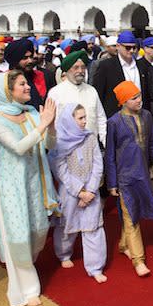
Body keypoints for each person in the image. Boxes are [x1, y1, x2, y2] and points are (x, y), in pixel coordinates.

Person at [0, 70, 58, 306]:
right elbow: (18, 148)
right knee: (18, 234)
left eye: (27, 83)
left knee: (39, 229)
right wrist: (44, 124)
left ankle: (26, 265)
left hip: (34, 179)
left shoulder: (32, 113)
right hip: (10, 184)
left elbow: (49, 145)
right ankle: (28, 288)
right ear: (8, 91)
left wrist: (51, 127)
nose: (28, 87)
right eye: (22, 84)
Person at [106, 81, 153, 276]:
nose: (139, 100)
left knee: (135, 213)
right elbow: (110, 154)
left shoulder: (147, 116)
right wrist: (112, 182)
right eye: (134, 98)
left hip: (144, 175)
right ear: (123, 101)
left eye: (139, 96)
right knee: (131, 216)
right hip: (125, 178)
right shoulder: (114, 122)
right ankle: (139, 261)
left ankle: (124, 245)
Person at [49, 103, 107, 283]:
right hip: (70, 192)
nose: (84, 121)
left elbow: (98, 163)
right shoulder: (59, 141)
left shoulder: (90, 137)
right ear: (70, 120)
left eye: (85, 117)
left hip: (92, 191)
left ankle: (95, 266)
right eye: (80, 118)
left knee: (93, 227)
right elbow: (60, 168)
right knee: (67, 225)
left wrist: (90, 189)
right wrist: (79, 191)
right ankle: (64, 254)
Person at [47, 50, 107, 147]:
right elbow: (52, 123)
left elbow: (101, 119)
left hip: (91, 147)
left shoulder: (91, 91)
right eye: (76, 67)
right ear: (67, 70)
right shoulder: (55, 93)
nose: (80, 71)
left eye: (83, 67)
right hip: (66, 149)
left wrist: (106, 143)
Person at [93, 30, 152, 117]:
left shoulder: (142, 65)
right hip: (117, 116)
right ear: (118, 46)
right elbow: (99, 93)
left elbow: (147, 92)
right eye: (128, 48)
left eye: (134, 48)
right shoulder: (106, 66)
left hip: (140, 114)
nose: (131, 51)